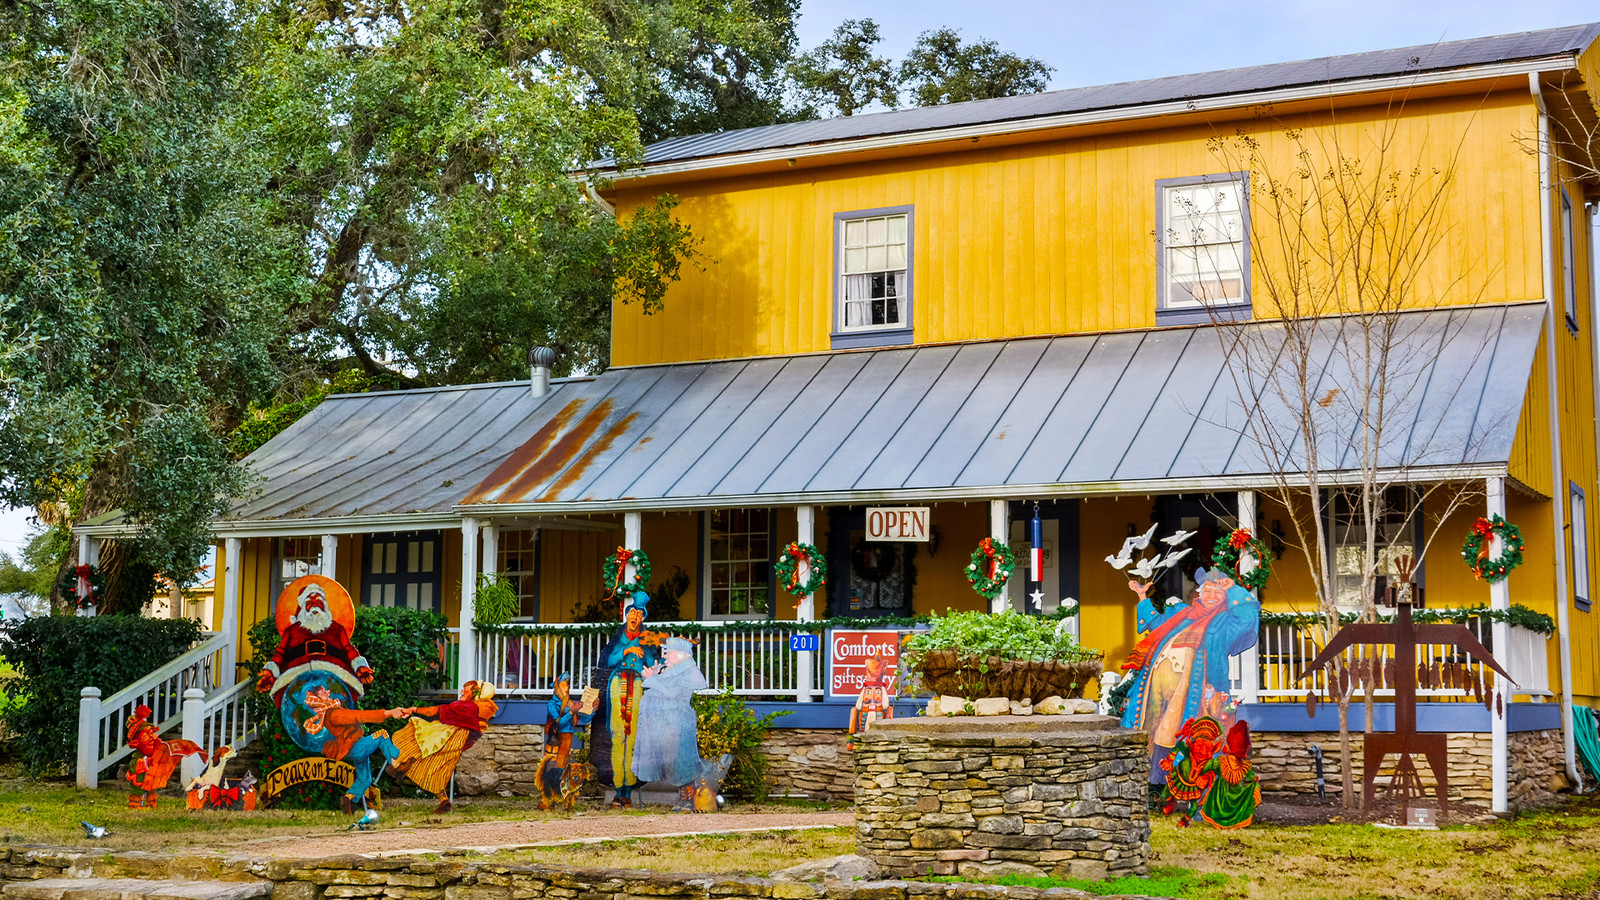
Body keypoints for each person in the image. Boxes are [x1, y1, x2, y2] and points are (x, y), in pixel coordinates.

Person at [1119, 566, 1259, 779]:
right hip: (1156, 690)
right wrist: (1142, 596)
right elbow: (1157, 625)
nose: (1212, 596)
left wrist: (1233, 589)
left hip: (1197, 692)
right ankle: (1158, 786)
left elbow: (1247, 618)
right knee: (1155, 733)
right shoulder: (1184, 614)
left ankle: (1197, 790)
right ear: (1200, 592)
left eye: (1218, 592)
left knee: (1195, 739)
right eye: (1208, 590)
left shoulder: (1225, 623)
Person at [590, 590, 662, 808]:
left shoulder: (647, 639)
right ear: (627, 615)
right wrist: (627, 650)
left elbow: (654, 663)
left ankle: (628, 788)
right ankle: (616, 784)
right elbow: (608, 659)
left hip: (637, 685)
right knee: (616, 733)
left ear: (642, 619)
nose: (635, 617)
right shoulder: (618, 638)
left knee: (633, 736)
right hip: (617, 683)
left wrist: (651, 659)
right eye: (633, 613)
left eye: (640, 615)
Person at [389, 680, 500, 814]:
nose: (462, 691)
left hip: (447, 738)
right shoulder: (474, 709)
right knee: (436, 766)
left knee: (413, 731)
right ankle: (443, 799)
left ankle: (401, 765)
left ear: (475, 694)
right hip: (453, 741)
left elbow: (439, 710)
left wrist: (415, 709)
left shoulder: (467, 708)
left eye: (467, 689)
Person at [258, 576, 372, 701]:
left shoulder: (336, 629)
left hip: (334, 672)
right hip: (296, 673)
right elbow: (280, 653)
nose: (314, 606)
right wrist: (271, 672)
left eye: (318, 602)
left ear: (324, 605)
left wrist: (360, 667)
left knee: (345, 697)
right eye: (309, 603)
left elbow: (349, 649)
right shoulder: (292, 631)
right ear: (302, 607)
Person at [300, 686, 409, 814]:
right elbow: (359, 715)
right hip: (356, 746)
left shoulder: (329, 712)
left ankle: (349, 800)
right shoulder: (334, 713)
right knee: (382, 735)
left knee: (365, 778)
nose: (328, 692)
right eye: (324, 693)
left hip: (353, 748)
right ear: (318, 699)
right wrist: (389, 713)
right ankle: (396, 765)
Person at [632, 637, 708, 808]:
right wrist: (655, 676)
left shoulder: (690, 672)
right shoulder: (670, 670)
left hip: (678, 723)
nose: (665, 656)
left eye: (668, 652)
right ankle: (683, 797)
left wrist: (653, 679)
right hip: (665, 723)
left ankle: (688, 799)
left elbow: (672, 693)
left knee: (682, 759)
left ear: (681, 655)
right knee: (671, 759)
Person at [124, 703, 206, 809]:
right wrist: (145, 762)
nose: (151, 737)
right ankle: (135, 804)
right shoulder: (137, 756)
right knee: (137, 792)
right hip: (140, 779)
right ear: (136, 741)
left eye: (151, 733)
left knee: (151, 790)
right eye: (146, 735)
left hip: (151, 778)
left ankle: (151, 802)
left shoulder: (157, 750)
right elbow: (135, 766)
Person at [539, 673, 596, 810]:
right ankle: (547, 799)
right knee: (553, 767)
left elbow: (583, 717)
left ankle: (562, 797)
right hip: (557, 739)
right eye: (564, 685)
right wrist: (571, 712)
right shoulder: (553, 704)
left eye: (568, 685)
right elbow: (558, 722)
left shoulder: (570, 703)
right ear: (558, 688)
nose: (567, 688)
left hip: (568, 738)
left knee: (564, 766)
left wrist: (593, 708)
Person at [847, 650, 894, 750]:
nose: (872, 695)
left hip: (879, 731)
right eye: (868, 691)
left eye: (877, 691)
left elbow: (886, 707)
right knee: (854, 711)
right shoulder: (861, 703)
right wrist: (851, 739)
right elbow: (858, 707)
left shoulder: (884, 703)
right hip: (863, 727)